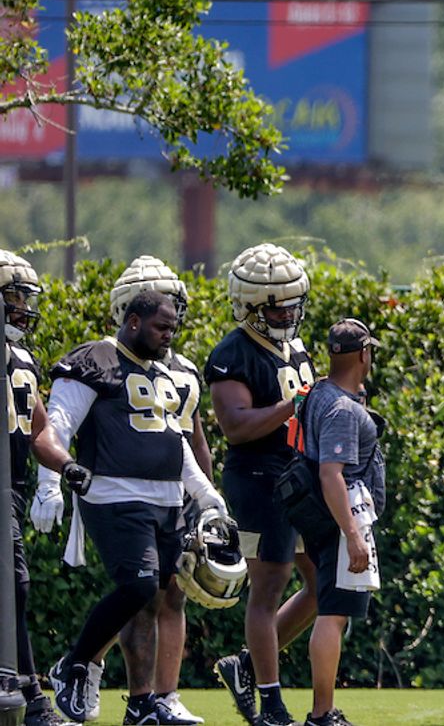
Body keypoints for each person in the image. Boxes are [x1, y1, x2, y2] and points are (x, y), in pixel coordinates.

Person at [37, 291, 231, 725]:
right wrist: (52, 479)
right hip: (114, 494)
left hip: (166, 500)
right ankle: (75, 663)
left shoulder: (160, 371)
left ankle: (143, 705)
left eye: (172, 329)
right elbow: (56, 426)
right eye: (162, 327)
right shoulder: (96, 359)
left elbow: (174, 442)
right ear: (134, 322)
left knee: (158, 596)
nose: (169, 337)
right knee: (140, 587)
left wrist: (205, 494)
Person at [206, 244, 318, 726]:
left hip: (300, 476)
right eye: (278, 305)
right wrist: (293, 406)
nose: (289, 312)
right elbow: (235, 425)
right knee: (269, 585)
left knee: (325, 584)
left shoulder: (296, 347)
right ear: (250, 307)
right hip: (256, 480)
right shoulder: (232, 353)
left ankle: (248, 667)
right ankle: (271, 701)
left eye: (294, 302)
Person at [298, 319, 387, 726]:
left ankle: (323, 710)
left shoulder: (322, 391)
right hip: (343, 515)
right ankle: (322, 713)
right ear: (364, 354)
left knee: (334, 610)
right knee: (333, 613)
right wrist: (352, 535)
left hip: (334, 515)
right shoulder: (341, 407)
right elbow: (331, 473)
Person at [0, 251, 71, 726]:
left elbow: (39, 428)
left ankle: (24, 691)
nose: (24, 306)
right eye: (14, 297)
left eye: (27, 297)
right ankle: (30, 695)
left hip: (15, 485)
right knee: (14, 585)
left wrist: (65, 468)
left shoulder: (23, 359)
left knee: (15, 588)